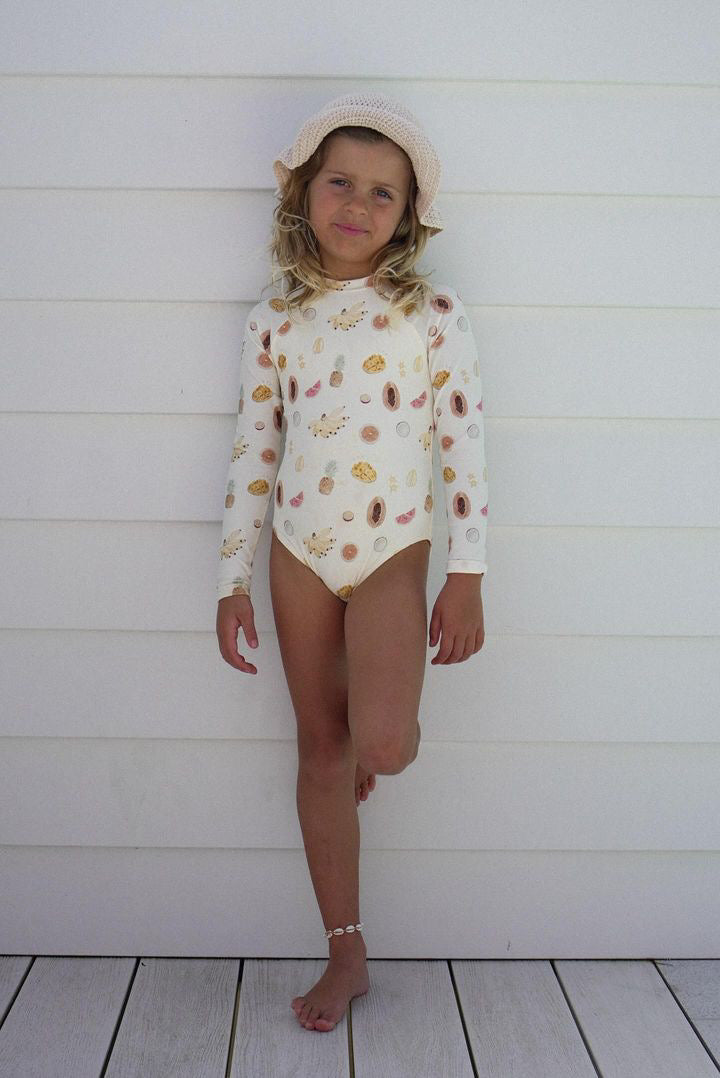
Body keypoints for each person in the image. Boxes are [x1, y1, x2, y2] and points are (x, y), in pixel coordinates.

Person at [215, 92, 489, 1033]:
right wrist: (229, 580)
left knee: (377, 746)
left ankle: (375, 742)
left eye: (383, 193)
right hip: (295, 552)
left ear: (407, 216)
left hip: (390, 550)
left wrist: (468, 572)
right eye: (341, 182)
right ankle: (347, 948)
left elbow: (464, 443)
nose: (358, 206)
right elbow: (253, 451)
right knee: (320, 750)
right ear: (304, 192)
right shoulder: (275, 319)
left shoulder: (431, 313)